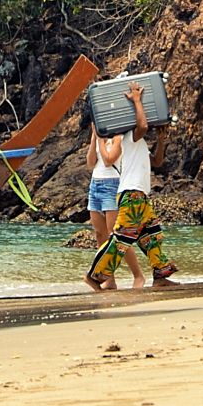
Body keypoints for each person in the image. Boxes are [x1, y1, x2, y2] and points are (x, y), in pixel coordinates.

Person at [85, 82, 178, 288]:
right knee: (120, 239)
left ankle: (161, 276)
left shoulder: (138, 142)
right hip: (130, 193)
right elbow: (143, 125)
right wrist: (136, 100)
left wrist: (162, 141)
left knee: (152, 236)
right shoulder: (128, 136)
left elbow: (156, 162)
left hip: (140, 195)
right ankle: (95, 276)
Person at [84, 109, 142, 290]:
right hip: (95, 185)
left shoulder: (119, 137)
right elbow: (90, 162)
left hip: (112, 185)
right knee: (100, 234)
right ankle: (108, 278)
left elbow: (109, 160)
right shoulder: (99, 138)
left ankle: (138, 275)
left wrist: (101, 140)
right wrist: (94, 138)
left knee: (116, 235)